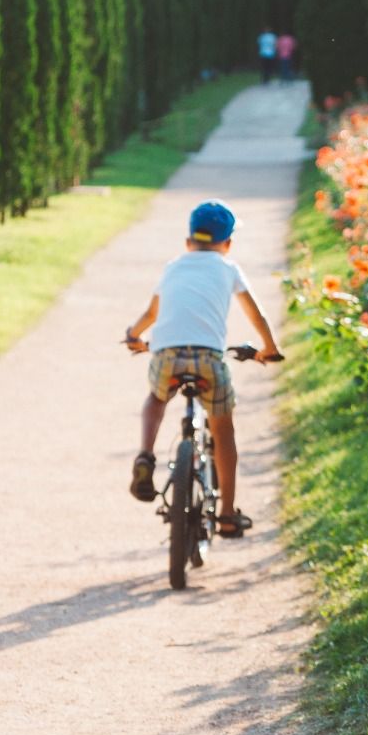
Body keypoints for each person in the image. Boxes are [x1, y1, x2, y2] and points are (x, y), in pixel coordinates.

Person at [123, 201, 283, 536]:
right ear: (228, 244)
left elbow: (153, 313)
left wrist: (135, 335)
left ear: (187, 241)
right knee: (223, 430)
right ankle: (226, 514)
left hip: (166, 354)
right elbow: (256, 315)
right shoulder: (229, 269)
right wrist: (268, 349)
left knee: (156, 398)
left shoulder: (173, 267)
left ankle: (145, 456)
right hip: (209, 359)